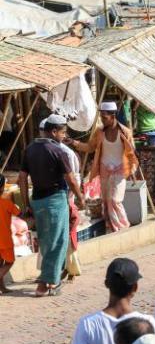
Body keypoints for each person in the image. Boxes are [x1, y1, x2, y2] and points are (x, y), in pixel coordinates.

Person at [18, 114, 83, 297]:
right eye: (62, 132)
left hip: (37, 200)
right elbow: (70, 178)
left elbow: (22, 178)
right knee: (58, 241)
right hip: (55, 199)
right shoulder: (58, 151)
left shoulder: (30, 149)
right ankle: (47, 283)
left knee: (47, 241)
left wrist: (26, 204)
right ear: (54, 131)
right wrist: (80, 197)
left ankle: (51, 280)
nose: (64, 136)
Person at [69, 101, 138, 233]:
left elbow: (131, 153)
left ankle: (122, 227)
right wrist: (74, 143)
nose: (102, 119)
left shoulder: (125, 132)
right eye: (101, 116)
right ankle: (110, 228)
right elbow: (90, 147)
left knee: (115, 200)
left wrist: (133, 170)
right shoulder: (99, 132)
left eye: (104, 117)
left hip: (120, 169)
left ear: (113, 115)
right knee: (106, 201)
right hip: (104, 168)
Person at [0, 174, 19, 293]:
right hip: (4, 240)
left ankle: (1, 287)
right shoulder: (7, 203)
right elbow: (18, 213)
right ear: (2, 188)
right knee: (9, 262)